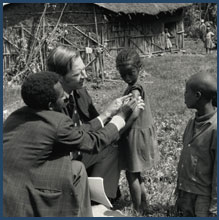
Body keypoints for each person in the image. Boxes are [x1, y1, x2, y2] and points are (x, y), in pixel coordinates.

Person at [3, 71, 143, 217]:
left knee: (74, 168)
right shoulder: (57, 121)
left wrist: (106, 114)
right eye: (61, 95)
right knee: (77, 169)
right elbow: (95, 143)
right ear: (51, 105)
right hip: (27, 199)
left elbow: (75, 133)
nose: (66, 96)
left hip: (8, 191)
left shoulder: (16, 116)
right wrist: (121, 116)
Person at [47, 45, 128, 201]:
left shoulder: (80, 91)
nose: (85, 75)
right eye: (78, 73)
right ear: (60, 77)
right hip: (60, 162)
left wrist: (112, 114)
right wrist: (113, 117)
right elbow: (75, 136)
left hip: (79, 151)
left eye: (84, 69)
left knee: (111, 148)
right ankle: (80, 200)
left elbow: (95, 125)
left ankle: (99, 199)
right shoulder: (52, 102)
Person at [116, 48, 160, 212]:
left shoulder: (135, 88)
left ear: (139, 68)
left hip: (134, 135)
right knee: (137, 172)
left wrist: (120, 130)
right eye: (123, 74)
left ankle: (137, 209)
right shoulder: (137, 85)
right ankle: (144, 205)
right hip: (141, 134)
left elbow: (134, 110)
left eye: (130, 73)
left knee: (131, 174)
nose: (127, 78)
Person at [176, 72, 217, 217]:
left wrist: (214, 209)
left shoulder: (215, 129)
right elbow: (185, 159)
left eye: (187, 91)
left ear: (198, 95)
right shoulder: (191, 123)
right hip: (185, 194)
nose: (184, 95)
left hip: (203, 201)